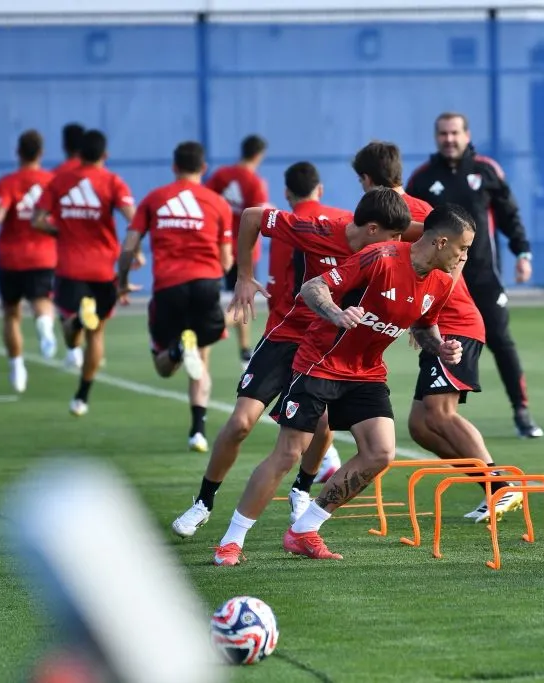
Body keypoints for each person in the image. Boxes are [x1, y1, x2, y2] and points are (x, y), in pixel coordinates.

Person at [212, 203, 472, 564]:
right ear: (442, 242)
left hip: (366, 372)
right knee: (288, 453)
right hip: (320, 362)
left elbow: (424, 324)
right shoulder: (379, 257)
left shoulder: (442, 283)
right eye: (463, 249)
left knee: (380, 452)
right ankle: (231, 540)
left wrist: (440, 347)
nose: (464, 257)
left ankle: (304, 530)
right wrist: (337, 312)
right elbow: (313, 288)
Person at [170, 187, 405, 539]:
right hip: (287, 337)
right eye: (393, 236)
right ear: (372, 229)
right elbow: (251, 216)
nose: (398, 243)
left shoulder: (390, 241)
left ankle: (301, 489)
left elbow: (434, 238)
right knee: (240, 424)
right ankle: (203, 502)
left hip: (329, 346)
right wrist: (244, 276)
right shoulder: (319, 229)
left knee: (322, 425)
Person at [306, 139, 519, 523]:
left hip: (453, 321)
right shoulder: (412, 213)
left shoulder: (412, 216)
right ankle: (493, 487)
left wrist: (418, 306)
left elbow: (451, 263)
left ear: (367, 181)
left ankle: (499, 487)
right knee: (420, 427)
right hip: (427, 318)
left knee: (438, 413)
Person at [406, 113, 543, 438]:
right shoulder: (423, 177)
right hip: (443, 281)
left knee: (501, 340)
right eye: (443, 133)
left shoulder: (486, 170)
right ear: (436, 137)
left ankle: (521, 411)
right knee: (437, 340)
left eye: (455, 133)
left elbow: (510, 214)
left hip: (483, 276)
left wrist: (522, 253)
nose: (449, 139)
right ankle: (438, 408)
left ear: (467, 135)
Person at [117, 141, 233, 451]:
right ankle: (198, 431)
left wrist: (122, 281)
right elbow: (226, 260)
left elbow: (129, 246)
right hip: (206, 284)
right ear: (203, 168)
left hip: (169, 287)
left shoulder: (154, 199)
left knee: (163, 366)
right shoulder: (218, 203)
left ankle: (178, 350)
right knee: (202, 359)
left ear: (174, 167)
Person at [32, 129, 136, 417]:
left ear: (78, 154)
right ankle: (82, 396)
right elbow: (133, 219)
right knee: (97, 333)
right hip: (103, 269)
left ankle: (78, 318)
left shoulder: (59, 181)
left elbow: (37, 220)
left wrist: (60, 231)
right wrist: (134, 250)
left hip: (70, 268)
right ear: (105, 155)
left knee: (70, 331)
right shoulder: (113, 182)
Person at [0, 129, 58, 393]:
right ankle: (45, 329)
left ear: (18, 152)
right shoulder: (52, 181)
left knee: (11, 313)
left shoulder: (8, 182)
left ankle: (17, 366)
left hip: (12, 258)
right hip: (44, 255)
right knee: (42, 301)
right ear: (41, 153)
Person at [205, 134, 269, 368]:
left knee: (240, 298)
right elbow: (259, 217)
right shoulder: (254, 182)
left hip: (218, 246)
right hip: (243, 249)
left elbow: (206, 201)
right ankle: (209, 332)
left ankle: (244, 350)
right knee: (244, 299)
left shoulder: (221, 175)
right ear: (259, 155)